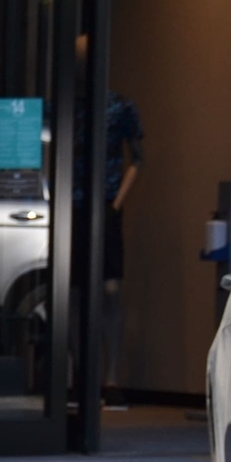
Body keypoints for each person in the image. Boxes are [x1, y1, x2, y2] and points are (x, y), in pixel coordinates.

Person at [102, 90, 143, 408]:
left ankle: (110, 377)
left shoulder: (120, 107)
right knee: (73, 290)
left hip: (107, 204)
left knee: (111, 288)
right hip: (72, 201)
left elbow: (137, 159)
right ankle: (77, 374)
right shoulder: (65, 104)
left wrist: (116, 204)